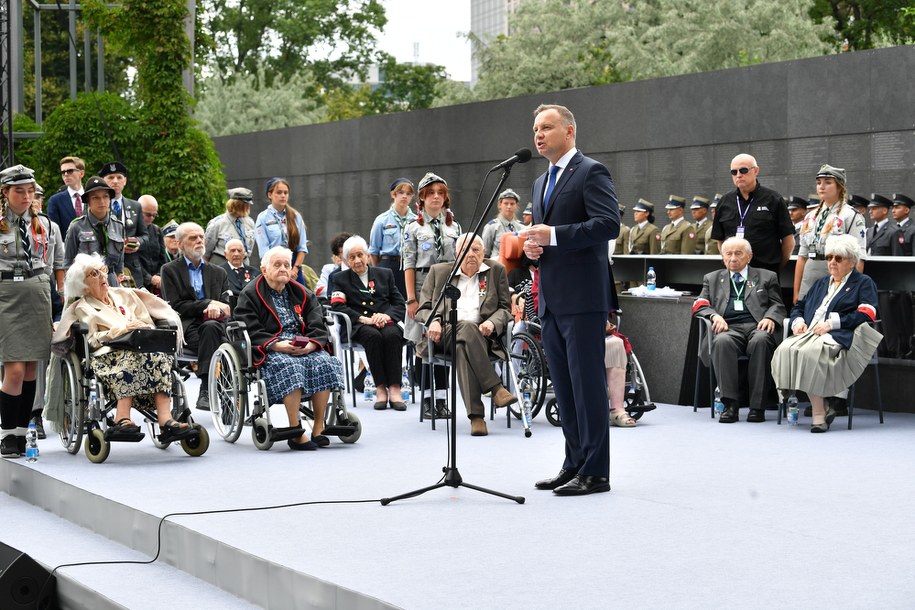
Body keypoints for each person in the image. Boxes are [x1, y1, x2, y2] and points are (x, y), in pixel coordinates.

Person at [524, 103, 619, 496]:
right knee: (564, 387)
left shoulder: (591, 171)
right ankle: (574, 462)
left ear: (570, 131)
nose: (538, 135)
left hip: (582, 297)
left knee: (587, 386)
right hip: (551, 297)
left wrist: (554, 235)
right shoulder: (540, 181)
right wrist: (534, 248)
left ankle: (595, 472)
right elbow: (545, 237)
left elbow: (608, 224)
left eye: (546, 127)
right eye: (535, 129)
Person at [53, 254, 197, 443]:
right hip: (107, 356)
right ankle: (122, 418)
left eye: (103, 271)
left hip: (142, 348)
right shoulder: (84, 307)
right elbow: (93, 339)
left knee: (161, 355)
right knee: (132, 356)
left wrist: (143, 326)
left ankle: (166, 420)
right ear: (84, 286)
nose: (103, 276)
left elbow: (145, 320)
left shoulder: (125, 295)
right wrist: (120, 330)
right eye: (94, 274)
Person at [234, 246, 345, 450]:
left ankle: (318, 427)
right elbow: (249, 327)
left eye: (287, 265)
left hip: (303, 344)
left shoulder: (301, 292)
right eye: (277, 265)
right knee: (290, 366)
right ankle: (296, 430)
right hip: (271, 347)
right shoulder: (250, 294)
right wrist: (276, 344)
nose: (283, 269)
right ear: (264, 269)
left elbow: (317, 322)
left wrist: (311, 344)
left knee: (326, 362)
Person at [771, 234, 882, 433]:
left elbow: (868, 313)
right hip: (810, 333)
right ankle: (822, 404)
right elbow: (799, 306)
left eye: (838, 258)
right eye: (829, 257)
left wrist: (832, 323)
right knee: (784, 349)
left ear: (852, 262)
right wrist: (798, 321)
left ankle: (819, 413)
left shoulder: (863, 282)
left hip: (840, 335)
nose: (832, 262)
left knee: (810, 354)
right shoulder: (821, 282)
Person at [416, 234, 516, 436]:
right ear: (456, 254)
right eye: (465, 250)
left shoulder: (496, 271)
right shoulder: (439, 272)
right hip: (444, 333)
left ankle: (476, 417)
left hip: (483, 336)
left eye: (475, 250)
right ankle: (496, 388)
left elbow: (505, 309)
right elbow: (423, 309)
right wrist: (434, 321)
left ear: (484, 253)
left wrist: (492, 322)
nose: (470, 254)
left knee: (462, 347)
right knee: (468, 328)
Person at [692, 237, 786, 423]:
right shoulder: (712, 278)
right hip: (728, 327)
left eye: (738, 253)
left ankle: (757, 407)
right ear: (723, 257)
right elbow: (700, 303)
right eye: (728, 254)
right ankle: (730, 405)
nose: (733, 258)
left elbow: (778, 305)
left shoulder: (767, 277)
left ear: (749, 257)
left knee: (761, 341)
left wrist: (770, 317)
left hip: (757, 326)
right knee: (721, 341)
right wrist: (714, 316)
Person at [0, 165, 54, 458]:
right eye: (19, 191)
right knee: (15, 369)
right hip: (6, 296)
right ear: (5, 193)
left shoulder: (44, 224)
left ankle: (22, 432)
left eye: (30, 191)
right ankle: (7, 434)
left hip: (37, 294)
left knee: (32, 367)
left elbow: (51, 262)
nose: (25, 196)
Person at [402, 172, 462, 419]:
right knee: (424, 343)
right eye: (431, 193)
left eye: (440, 193)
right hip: (422, 284)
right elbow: (408, 264)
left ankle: (442, 400)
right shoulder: (413, 227)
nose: (436, 197)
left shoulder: (453, 226)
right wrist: (411, 299)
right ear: (422, 198)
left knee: (443, 341)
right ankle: (427, 400)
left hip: (446, 287)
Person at [330, 236, 407, 411]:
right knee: (372, 336)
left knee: (392, 335)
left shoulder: (384, 274)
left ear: (367, 256)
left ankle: (395, 388)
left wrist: (386, 316)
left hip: (385, 321)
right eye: (352, 257)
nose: (357, 260)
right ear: (346, 260)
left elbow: (398, 303)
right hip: (359, 324)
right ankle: (380, 388)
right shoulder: (340, 278)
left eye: (360, 255)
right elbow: (337, 306)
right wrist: (363, 319)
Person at [160, 222, 230, 411]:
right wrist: (208, 304)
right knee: (223, 344)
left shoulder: (219, 272)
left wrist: (218, 309)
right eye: (193, 238)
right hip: (187, 326)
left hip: (215, 325)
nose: (199, 240)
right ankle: (216, 392)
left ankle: (206, 389)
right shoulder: (169, 270)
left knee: (213, 329)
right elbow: (175, 305)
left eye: (201, 237)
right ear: (180, 244)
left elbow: (226, 305)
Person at [711, 153, 794, 275]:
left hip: (766, 272)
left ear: (756, 171)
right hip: (734, 274)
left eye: (743, 170)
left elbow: (788, 240)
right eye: (734, 172)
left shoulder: (773, 199)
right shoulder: (724, 202)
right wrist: (729, 262)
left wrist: (776, 270)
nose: (738, 175)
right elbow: (720, 240)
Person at [794, 164, 866, 302]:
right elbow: (802, 256)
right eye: (818, 183)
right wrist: (796, 291)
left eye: (828, 182)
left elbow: (859, 257)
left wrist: (851, 291)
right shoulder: (810, 216)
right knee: (804, 312)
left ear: (839, 187)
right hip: (810, 273)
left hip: (836, 271)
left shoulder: (850, 215)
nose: (821, 187)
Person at [63, 176, 126, 286]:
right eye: (95, 198)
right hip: (86, 282)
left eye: (105, 196)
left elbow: (119, 265)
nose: (101, 201)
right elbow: (68, 263)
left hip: (111, 282)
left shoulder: (118, 226)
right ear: (88, 201)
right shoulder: (76, 226)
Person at [99, 162, 148, 289]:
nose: (115, 181)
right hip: (107, 267)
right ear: (103, 181)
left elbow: (145, 236)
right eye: (110, 177)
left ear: (125, 181)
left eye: (119, 177)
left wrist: (137, 242)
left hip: (132, 268)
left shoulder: (135, 206)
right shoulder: (97, 206)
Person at [368, 178, 417, 300]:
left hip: (409, 266)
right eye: (401, 192)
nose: (404, 196)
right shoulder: (382, 220)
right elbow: (374, 251)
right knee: (388, 301)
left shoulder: (416, 221)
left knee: (409, 301)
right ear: (393, 194)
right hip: (388, 264)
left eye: (408, 193)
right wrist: (379, 271)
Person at [254, 177, 308, 284]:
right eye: (279, 192)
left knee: (299, 294)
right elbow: (264, 250)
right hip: (273, 265)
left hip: (294, 267)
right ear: (270, 195)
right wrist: (275, 269)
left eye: (285, 193)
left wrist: (294, 269)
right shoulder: (263, 218)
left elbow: (302, 247)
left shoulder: (295, 216)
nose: (283, 196)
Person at [205, 187, 256, 268]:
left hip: (243, 264)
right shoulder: (217, 223)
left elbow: (250, 247)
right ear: (236, 205)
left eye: (248, 204)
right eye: (245, 204)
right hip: (221, 264)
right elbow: (206, 251)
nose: (248, 207)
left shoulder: (250, 222)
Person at [137, 194, 170, 293]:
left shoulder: (157, 230)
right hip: (139, 281)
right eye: (148, 215)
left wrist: (159, 275)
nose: (151, 218)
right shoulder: (131, 231)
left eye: (154, 215)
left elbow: (163, 257)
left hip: (157, 282)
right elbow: (131, 260)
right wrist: (149, 278)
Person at [46, 155, 85, 232]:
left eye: (70, 171)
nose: (66, 174)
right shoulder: (55, 201)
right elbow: (54, 232)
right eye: (63, 172)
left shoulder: (92, 197)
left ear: (81, 173)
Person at [481, 188, 521, 258]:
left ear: (517, 206)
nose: (509, 207)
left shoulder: (522, 227)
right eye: (506, 203)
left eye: (512, 204)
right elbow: (485, 254)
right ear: (500, 205)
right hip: (498, 263)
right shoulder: (492, 227)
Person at [315, 231, 351, 299]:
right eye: (342, 252)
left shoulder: (366, 270)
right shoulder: (333, 275)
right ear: (337, 255)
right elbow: (320, 291)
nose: (347, 255)